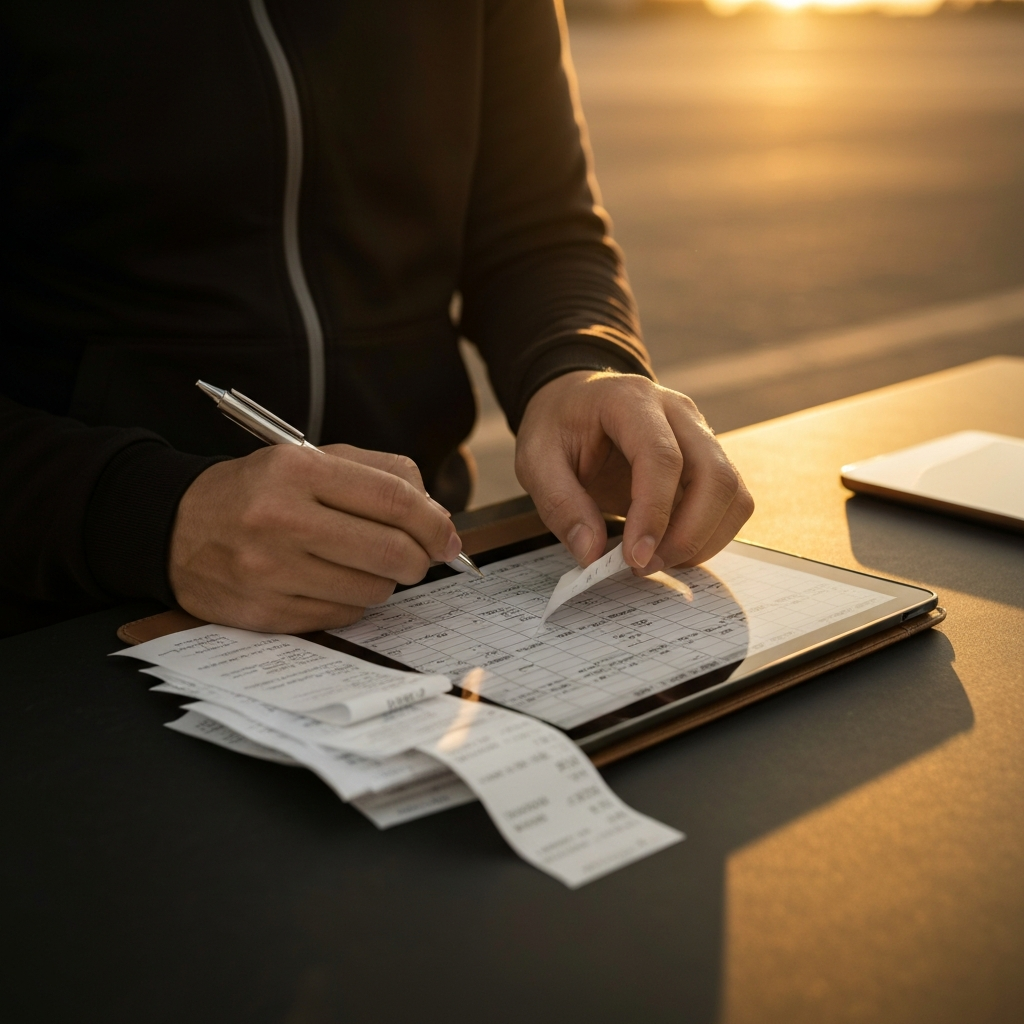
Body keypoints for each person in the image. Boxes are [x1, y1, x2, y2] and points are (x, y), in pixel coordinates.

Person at [0, 0, 752, 638]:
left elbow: (536, 228)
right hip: (67, 620)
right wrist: (148, 513)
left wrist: (582, 363)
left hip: (415, 589)